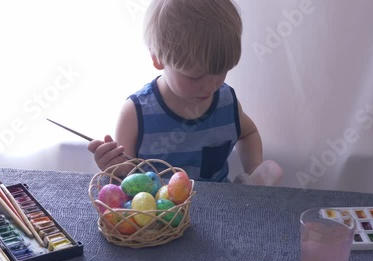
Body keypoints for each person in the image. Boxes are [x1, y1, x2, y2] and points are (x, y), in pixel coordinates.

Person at [88, 0, 283, 185]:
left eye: (220, 72)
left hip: (221, 211)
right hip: (157, 216)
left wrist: (253, 171)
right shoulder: (135, 114)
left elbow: (249, 133)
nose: (210, 86)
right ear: (157, 58)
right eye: (195, 77)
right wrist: (114, 169)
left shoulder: (226, 101)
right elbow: (124, 182)